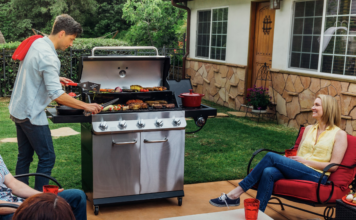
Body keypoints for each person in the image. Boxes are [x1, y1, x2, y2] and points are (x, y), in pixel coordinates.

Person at [8, 14, 102, 191]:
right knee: (47, 157)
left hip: (18, 109)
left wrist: (55, 78)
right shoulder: (50, 58)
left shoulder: (38, 43)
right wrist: (86, 105)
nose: (71, 44)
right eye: (71, 39)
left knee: (24, 157)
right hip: (31, 114)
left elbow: (33, 70)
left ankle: (23, 202)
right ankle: (40, 203)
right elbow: (57, 96)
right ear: (62, 33)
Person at [209, 94, 348, 211]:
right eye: (313, 104)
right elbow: (299, 154)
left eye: (317, 105)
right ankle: (258, 213)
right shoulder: (309, 129)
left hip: (318, 175)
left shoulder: (339, 134)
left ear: (328, 109)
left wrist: (304, 161)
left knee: (270, 156)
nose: (312, 107)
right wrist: (288, 161)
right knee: (268, 171)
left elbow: (334, 165)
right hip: (299, 168)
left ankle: (235, 194)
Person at [0, 155, 86, 220]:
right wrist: (33, 205)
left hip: (19, 203)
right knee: (48, 212)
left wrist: (43, 196)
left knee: (77, 196)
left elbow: (13, 184)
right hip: (7, 211)